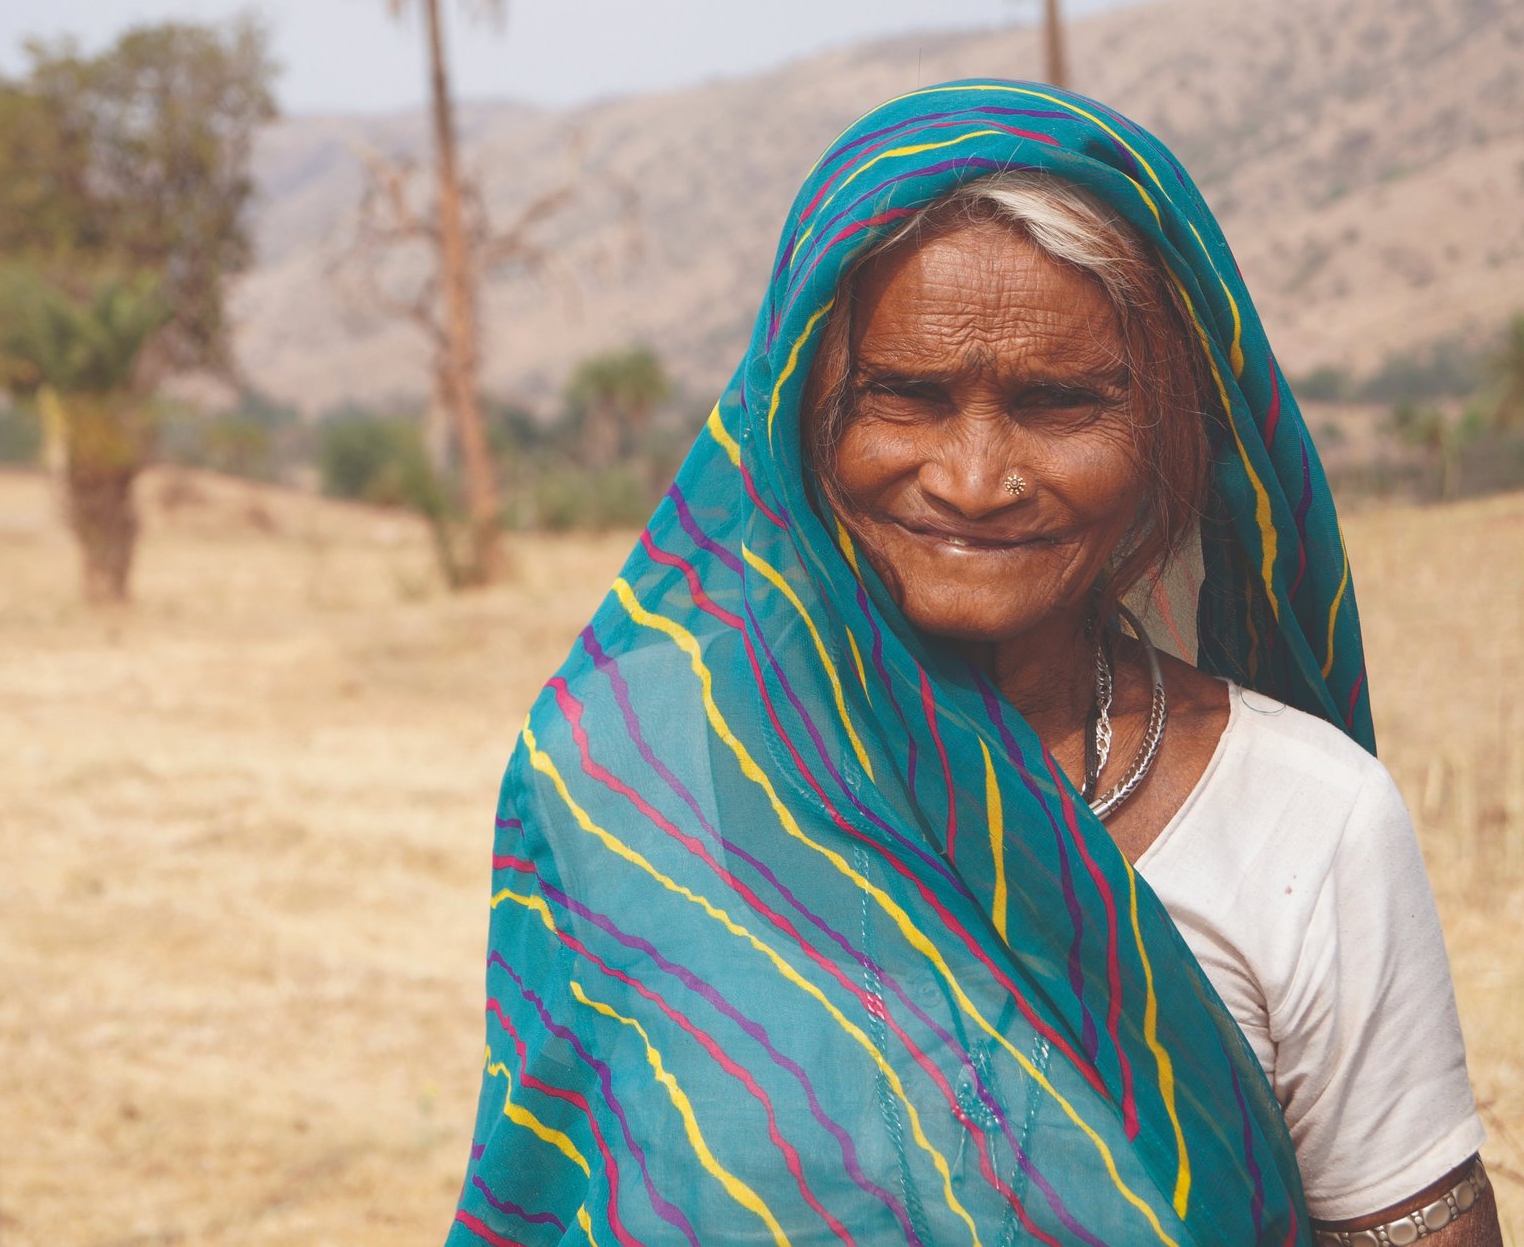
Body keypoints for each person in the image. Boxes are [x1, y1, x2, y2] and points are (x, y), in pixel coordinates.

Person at [444, 81, 1499, 1246]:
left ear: (1166, 433)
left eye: (1060, 405)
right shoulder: (624, 774)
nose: (975, 478)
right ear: (799, 414)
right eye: (905, 396)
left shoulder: (1308, 817)